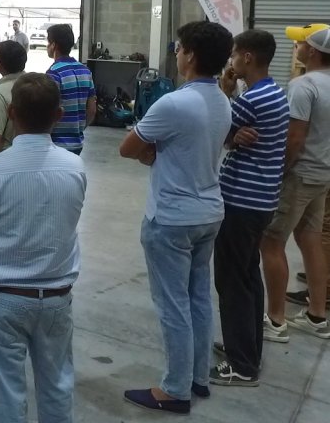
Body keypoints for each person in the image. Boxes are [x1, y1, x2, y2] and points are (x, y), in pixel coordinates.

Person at [119, 21, 234, 414]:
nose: (177, 53)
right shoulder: (222, 100)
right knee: (199, 297)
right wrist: (156, 152)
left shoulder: (174, 103)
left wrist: (151, 152)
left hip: (171, 217)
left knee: (172, 305)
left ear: (191, 55)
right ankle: (197, 377)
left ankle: (174, 389)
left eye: (180, 47)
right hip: (208, 212)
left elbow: (127, 147)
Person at [0, 73, 86, 423]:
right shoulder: (74, 167)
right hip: (57, 295)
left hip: (3, 297)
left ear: (12, 113)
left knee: (5, 392)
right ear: (58, 115)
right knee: (57, 386)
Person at [209, 29, 289, 386]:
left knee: (232, 282)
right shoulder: (272, 92)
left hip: (241, 202)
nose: (231, 61)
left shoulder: (250, 101)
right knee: (247, 277)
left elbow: (214, 130)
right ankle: (247, 349)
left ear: (248, 58)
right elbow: (232, 128)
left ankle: (242, 366)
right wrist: (234, 132)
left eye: (235, 55)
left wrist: (225, 100)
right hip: (262, 201)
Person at [260, 23, 330, 341]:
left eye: (300, 43)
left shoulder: (304, 86)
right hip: (322, 175)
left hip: (300, 175)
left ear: (312, 51)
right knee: (310, 240)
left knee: (272, 242)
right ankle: (317, 315)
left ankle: (276, 321)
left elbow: (295, 138)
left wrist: (280, 171)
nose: (296, 48)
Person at [45, 23, 96, 155]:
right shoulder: (85, 71)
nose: (47, 46)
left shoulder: (54, 73)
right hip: (77, 143)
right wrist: (78, 128)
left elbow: (48, 112)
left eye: (48, 42)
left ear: (54, 45)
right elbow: (92, 109)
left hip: (56, 144)